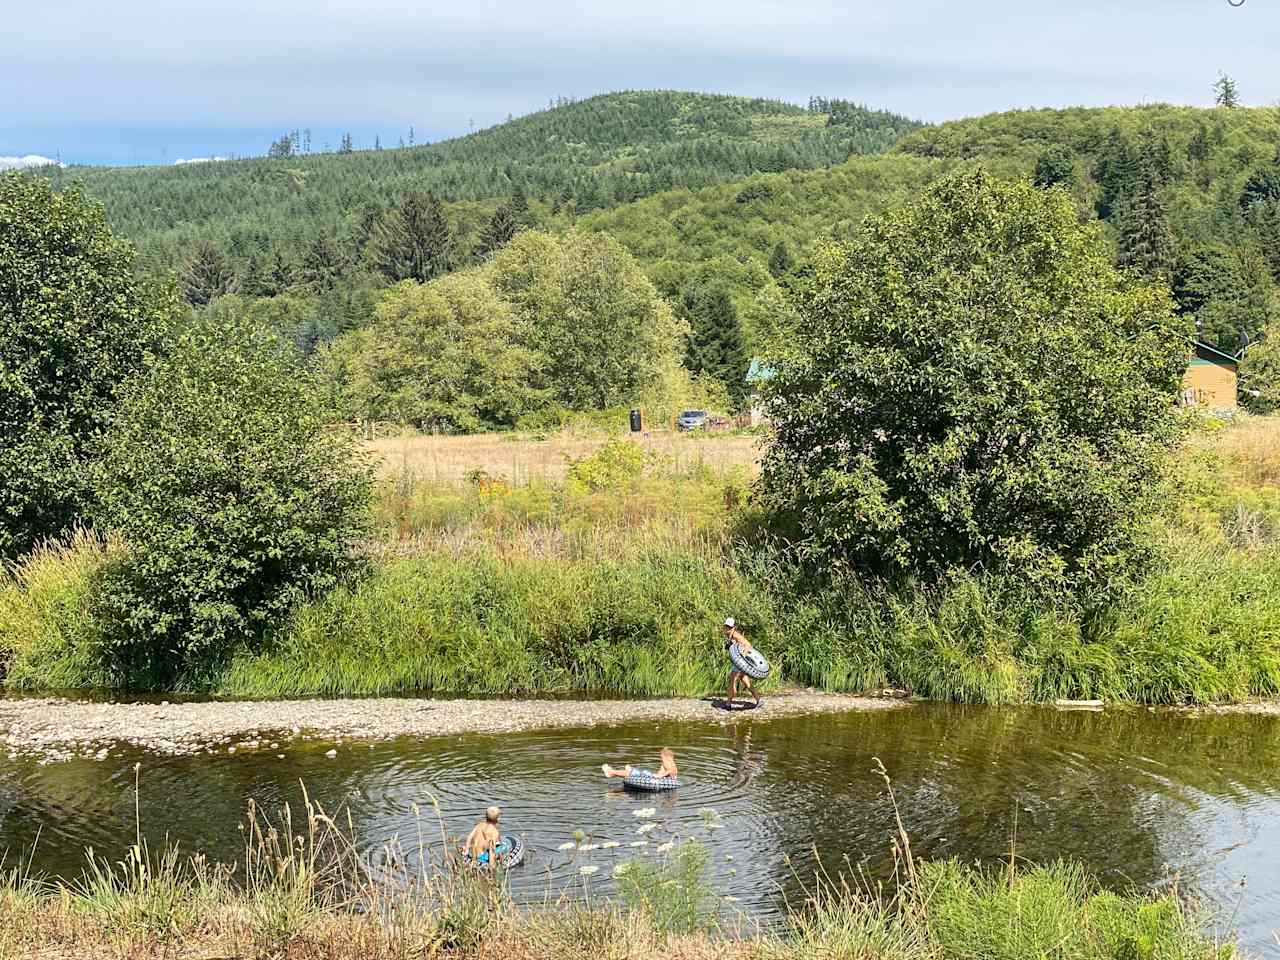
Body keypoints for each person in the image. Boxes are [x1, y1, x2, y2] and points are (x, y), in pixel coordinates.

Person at [724, 617, 761, 707]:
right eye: (726, 626)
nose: (727, 628)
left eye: (730, 627)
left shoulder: (736, 635)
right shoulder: (729, 635)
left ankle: (728, 703)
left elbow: (748, 645)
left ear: (733, 627)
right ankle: (758, 700)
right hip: (738, 663)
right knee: (745, 681)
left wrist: (742, 657)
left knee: (732, 681)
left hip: (739, 663)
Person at [602, 747, 678, 780]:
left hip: (657, 779)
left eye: (661, 755)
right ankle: (614, 772)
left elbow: (669, 770)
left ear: (665, 756)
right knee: (636, 773)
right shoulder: (672, 763)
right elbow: (671, 771)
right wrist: (660, 775)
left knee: (633, 773)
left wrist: (660, 775)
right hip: (662, 779)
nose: (660, 757)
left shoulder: (666, 762)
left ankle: (611, 772)